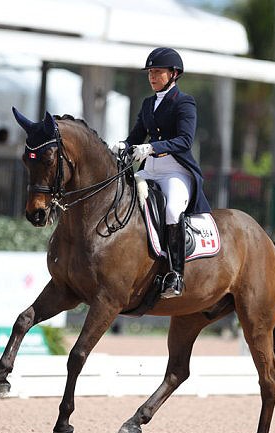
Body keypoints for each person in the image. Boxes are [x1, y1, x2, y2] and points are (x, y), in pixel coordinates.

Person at [112, 47, 211, 298]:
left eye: (157, 72)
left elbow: (184, 141)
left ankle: (176, 275)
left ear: (174, 74)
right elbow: (136, 135)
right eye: (150, 72)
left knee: (171, 210)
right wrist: (123, 145)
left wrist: (152, 147)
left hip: (175, 172)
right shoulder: (148, 104)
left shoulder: (184, 102)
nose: (152, 76)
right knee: (121, 199)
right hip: (150, 170)